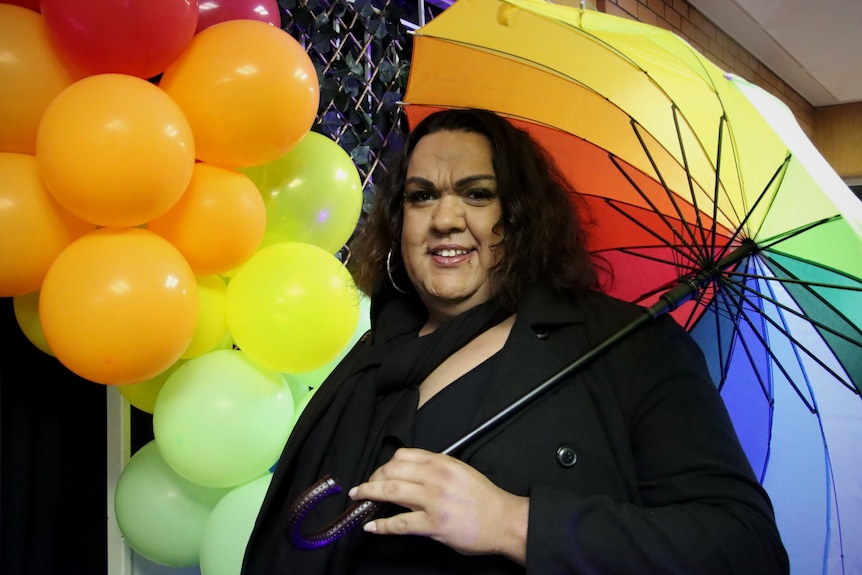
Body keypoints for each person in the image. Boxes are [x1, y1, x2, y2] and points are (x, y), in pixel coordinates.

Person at [241, 108, 789, 574]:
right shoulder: (373, 352)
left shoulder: (627, 346)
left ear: (521, 217)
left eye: (477, 194)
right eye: (421, 196)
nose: (445, 219)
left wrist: (514, 522)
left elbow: (745, 545)